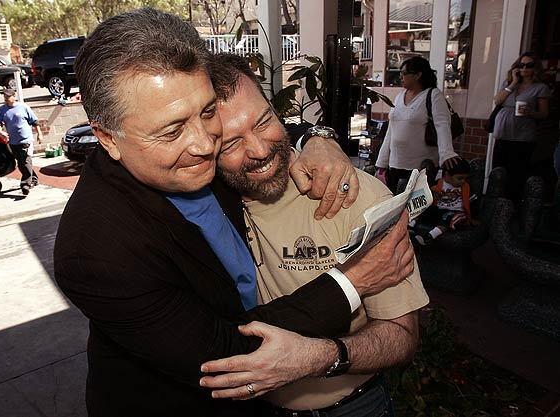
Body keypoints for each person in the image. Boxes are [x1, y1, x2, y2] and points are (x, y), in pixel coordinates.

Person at [53, 8, 415, 417]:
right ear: (107, 137)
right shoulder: (95, 252)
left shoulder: (193, 155)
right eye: (172, 131)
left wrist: (319, 136)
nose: (206, 144)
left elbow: (253, 128)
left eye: (207, 112)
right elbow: (227, 353)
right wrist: (354, 281)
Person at [198, 53, 428, 416]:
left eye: (263, 121)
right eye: (230, 143)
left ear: (277, 113)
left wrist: (320, 358)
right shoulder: (206, 204)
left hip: (353, 406)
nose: (259, 150)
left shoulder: (354, 195)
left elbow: (402, 337)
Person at [375, 56, 460, 193]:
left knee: (413, 210)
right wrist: (381, 162)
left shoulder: (433, 95)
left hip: (420, 166)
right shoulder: (399, 96)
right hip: (395, 164)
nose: (401, 76)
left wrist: (446, 153)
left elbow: (442, 125)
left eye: (404, 73)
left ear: (418, 75)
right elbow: (391, 130)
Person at [493, 52, 550, 198]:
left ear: (535, 68)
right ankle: (494, 203)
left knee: (517, 174)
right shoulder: (508, 83)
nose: (524, 68)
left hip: (523, 136)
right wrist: (513, 82)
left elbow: (544, 113)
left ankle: (511, 205)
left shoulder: (540, 87)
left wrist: (530, 112)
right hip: (503, 133)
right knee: (499, 171)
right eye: (521, 65)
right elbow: (498, 101)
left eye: (529, 65)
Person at [413, 158, 472, 246]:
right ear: (447, 175)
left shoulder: (465, 187)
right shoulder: (440, 183)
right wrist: (433, 195)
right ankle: (411, 226)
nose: (463, 181)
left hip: (455, 212)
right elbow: (430, 194)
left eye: (465, 178)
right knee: (425, 209)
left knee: (449, 218)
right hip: (439, 210)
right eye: (460, 178)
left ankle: (429, 237)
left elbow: (468, 200)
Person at [0, 88, 42, 195]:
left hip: (26, 139)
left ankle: (25, 184)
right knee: (21, 163)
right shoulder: (2, 110)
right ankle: (33, 179)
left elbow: (35, 121)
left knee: (26, 161)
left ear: (13, 97)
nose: (6, 99)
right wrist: (1, 132)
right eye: (4, 97)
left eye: (8, 96)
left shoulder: (23, 107)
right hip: (13, 141)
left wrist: (40, 133)